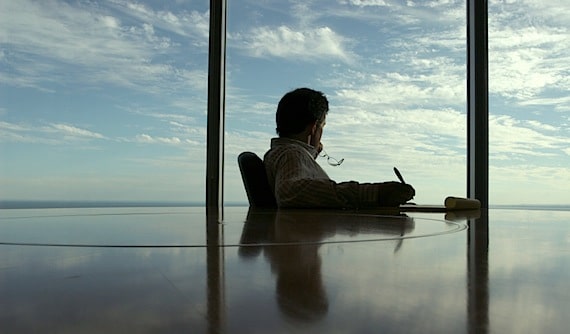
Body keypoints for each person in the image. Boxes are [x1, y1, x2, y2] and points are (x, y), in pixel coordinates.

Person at [263, 87, 415, 209]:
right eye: (322, 127)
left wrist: (311, 155)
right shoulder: (292, 154)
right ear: (313, 128)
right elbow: (290, 192)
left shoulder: (285, 154)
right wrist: (376, 193)